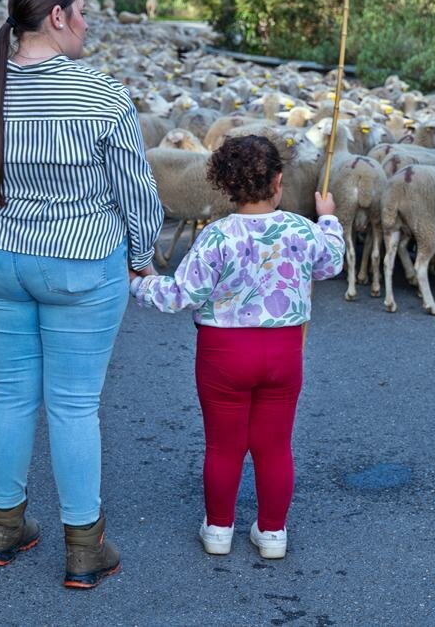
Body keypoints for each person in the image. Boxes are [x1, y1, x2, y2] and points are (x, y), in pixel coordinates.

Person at [0, 0, 164, 590]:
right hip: (80, 261)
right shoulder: (102, 96)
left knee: (10, 393)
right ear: (58, 17)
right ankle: (84, 548)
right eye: (83, 12)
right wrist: (141, 254)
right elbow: (135, 190)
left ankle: (3, 530)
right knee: (73, 404)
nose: (88, 23)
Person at [131, 135, 344, 561]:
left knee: (223, 446)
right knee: (275, 445)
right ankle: (272, 532)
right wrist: (328, 219)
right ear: (279, 181)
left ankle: (219, 529)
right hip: (283, 350)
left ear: (226, 185)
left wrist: (138, 283)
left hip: (224, 351)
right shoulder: (300, 229)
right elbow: (331, 263)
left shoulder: (215, 237)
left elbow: (180, 295)